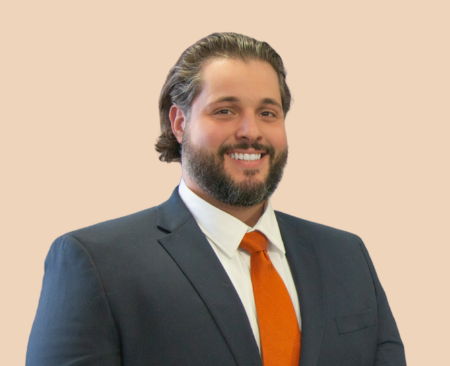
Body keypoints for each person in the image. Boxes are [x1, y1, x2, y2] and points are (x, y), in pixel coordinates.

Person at [26, 32, 406, 366]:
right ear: (179, 123)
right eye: (225, 110)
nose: (250, 132)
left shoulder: (346, 256)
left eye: (268, 112)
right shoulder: (95, 263)